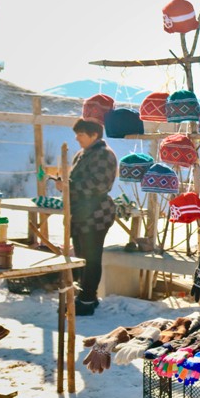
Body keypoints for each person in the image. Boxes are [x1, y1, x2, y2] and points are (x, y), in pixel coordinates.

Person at [56, 118, 117, 316]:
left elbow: (98, 185)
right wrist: (65, 183)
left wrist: (69, 186)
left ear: (94, 135)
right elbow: (77, 181)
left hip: (96, 214)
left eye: (81, 134)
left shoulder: (104, 155)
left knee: (91, 259)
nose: (77, 138)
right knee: (82, 257)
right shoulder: (82, 154)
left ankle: (87, 299)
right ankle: (86, 296)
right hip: (81, 213)